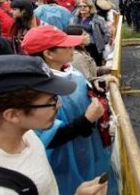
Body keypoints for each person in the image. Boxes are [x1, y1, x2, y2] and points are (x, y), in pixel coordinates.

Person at [0, 55, 108, 195]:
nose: (59, 104)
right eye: (52, 100)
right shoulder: (1, 189)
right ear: (12, 115)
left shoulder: (27, 135)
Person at [21, 25, 117, 195]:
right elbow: (44, 139)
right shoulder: (37, 89)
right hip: (68, 163)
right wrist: (85, 120)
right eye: (66, 45)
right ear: (49, 54)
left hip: (90, 150)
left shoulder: (68, 70)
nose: (72, 47)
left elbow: (81, 91)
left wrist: (94, 85)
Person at [70, 0, 110, 66]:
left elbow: (106, 32)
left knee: (96, 66)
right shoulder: (74, 19)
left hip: (94, 47)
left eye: (85, 6)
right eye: (80, 6)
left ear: (90, 7)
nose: (82, 8)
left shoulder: (98, 19)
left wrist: (102, 43)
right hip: (79, 47)